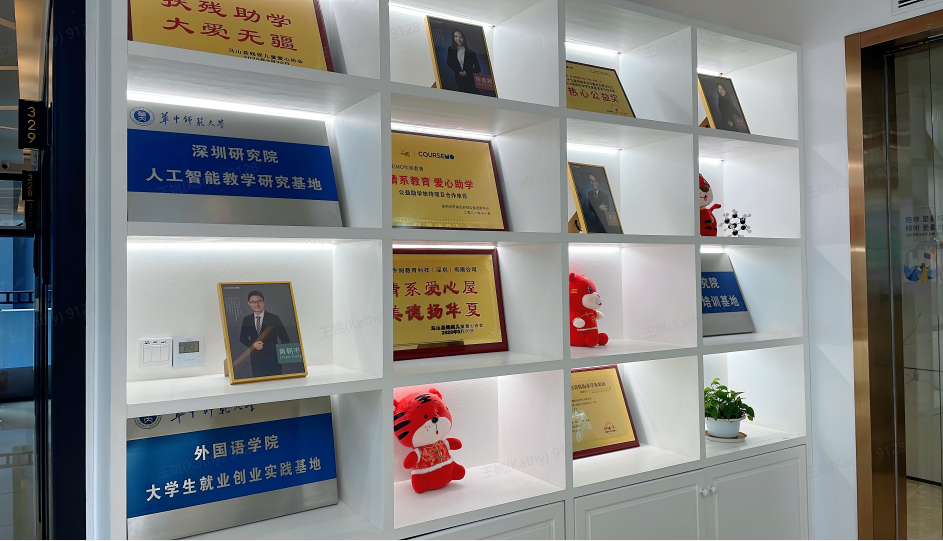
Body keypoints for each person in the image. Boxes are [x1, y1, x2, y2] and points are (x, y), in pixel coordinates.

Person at [238, 290, 291, 378]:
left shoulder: (274, 318)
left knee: (276, 382)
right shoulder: (247, 319)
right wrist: (253, 345)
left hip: (273, 360)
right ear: (249, 303)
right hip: (256, 359)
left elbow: (285, 339)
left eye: (259, 301)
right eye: (253, 302)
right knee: (259, 383)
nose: (257, 304)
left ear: (264, 302)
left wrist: (277, 354)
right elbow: (242, 338)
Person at [446, 30, 481, 94]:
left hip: (470, 79)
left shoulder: (471, 53)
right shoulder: (451, 49)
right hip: (458, 78)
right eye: (455, 36)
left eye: (461, 37)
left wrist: (467, 72)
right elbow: (449, 62)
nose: (458, 39)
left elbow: (478, 69)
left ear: (464, 38)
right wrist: (458, 71)